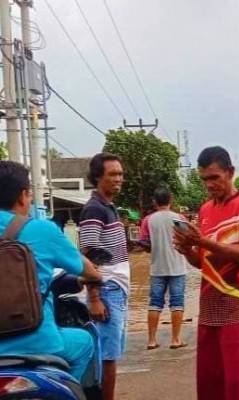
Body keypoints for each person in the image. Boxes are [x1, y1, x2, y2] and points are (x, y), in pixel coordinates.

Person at [0, 161, 102, 381]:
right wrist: (95, 276)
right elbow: (89, 271)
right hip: (39, 344)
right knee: (85, 342)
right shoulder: (42, 229)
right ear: (22, 196)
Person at [173, 146, 239, 400]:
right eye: (205, 179)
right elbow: (204, 263)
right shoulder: (205, 210)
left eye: (215, 177)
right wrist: (187, 249)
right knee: (210, 386)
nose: (210, 184)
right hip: (209, 310)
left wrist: (202, 243)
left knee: (237, 388)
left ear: (230, 172)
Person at [79, 153, 129, 400]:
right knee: (106, 357)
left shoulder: (109, 207)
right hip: (106, 289)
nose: (118, 179)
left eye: (120, 174)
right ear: (98, 177)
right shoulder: (94, 210)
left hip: (116, 289)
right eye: (112, 174)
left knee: (111, 355)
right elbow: (88, 256)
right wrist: (95, 296)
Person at [139, 187, 188, 350]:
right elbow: (187, 241)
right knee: (177, 303)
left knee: (155, 303)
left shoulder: (148, 220)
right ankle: (175, 339)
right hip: (177, 268)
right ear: (171, 200)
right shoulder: (179, 218)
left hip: (157, 268)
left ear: (155, 202)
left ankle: (152, 340)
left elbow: (145, 244)